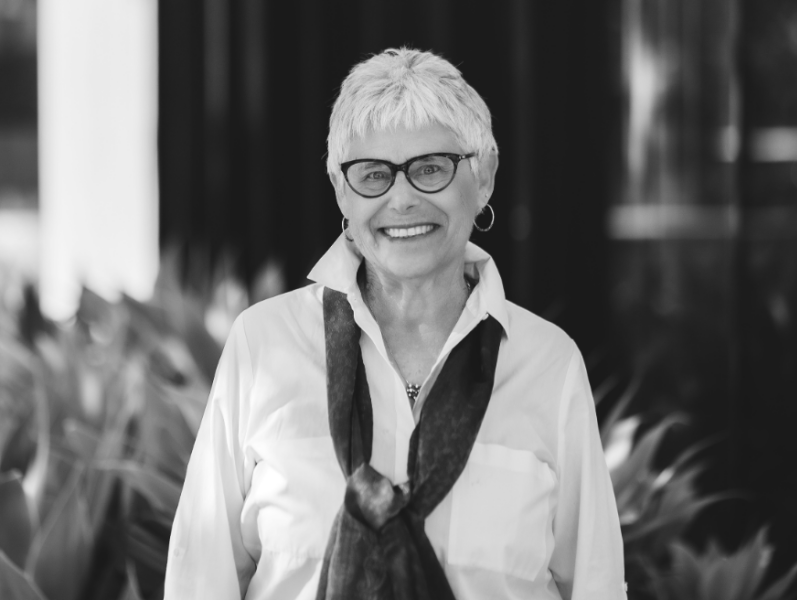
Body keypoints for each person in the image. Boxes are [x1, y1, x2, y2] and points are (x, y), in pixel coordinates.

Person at [164, 47, 626, 600]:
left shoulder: (548, 363)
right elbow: (201, 580)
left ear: (483, 177)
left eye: (431, 168)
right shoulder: (262, 345)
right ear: (342, 191)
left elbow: (595, 585)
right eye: (374, 175)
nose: (402, 199)